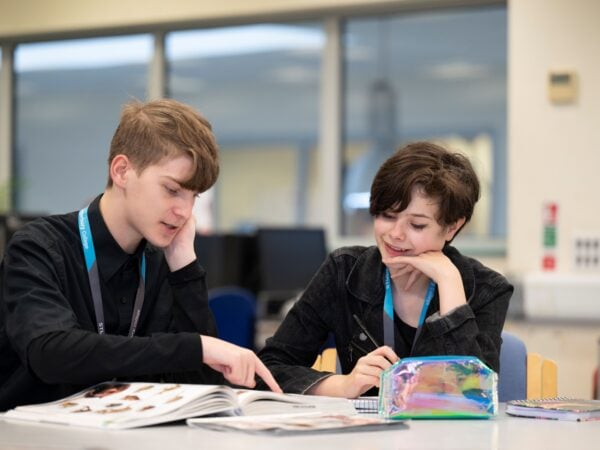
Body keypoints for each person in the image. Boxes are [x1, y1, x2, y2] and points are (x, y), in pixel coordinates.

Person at [0, 98, 280, 411]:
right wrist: (193, 347)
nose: (185, 211)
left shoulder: (160, 261)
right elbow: (50, 354)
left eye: (194, 196)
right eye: (172, 190)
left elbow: (202, 385)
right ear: (121, 171)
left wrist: (184, 266)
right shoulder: (39, 246)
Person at [258, 141, 513, 398]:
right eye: (387, 216)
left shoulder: (487, 289)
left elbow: (477, 394)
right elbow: (269, 369)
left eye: (417, 225)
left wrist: (449, 283)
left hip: (449, 437)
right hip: (366, 436)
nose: (395, 234)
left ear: (451, 228)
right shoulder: (344, 270)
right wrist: (344, 385)